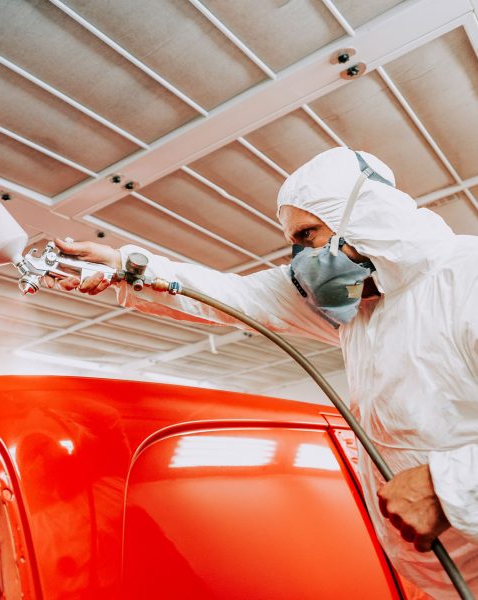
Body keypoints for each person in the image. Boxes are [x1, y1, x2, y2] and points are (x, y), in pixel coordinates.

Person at [46, 147, 477, 598]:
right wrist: (124, 268)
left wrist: (445, 484)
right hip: (441, 581)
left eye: (308, 235)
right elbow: (234, 296)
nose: (302, 259)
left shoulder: (465, 277)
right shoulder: (362, 304)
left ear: (364, 216)